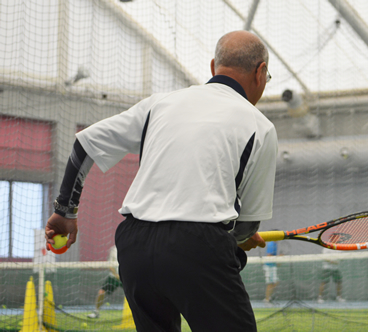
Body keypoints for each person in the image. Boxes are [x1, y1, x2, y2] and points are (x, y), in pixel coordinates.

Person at [45, 30, 278, 332]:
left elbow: (84, 145)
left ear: (213, 67)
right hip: (198, 249)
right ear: (260, 73)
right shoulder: (261, 125)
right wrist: (242, 237)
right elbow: (246, 227)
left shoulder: (159, 103)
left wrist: (65, 212)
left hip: (134, 246)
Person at [88, 245, 121, 319]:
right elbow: (110, 265)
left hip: (125, 277)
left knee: (133, 295)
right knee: (101, 292)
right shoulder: (113, 250)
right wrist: (116, 275)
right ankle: (96, 312)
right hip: (113, 277)